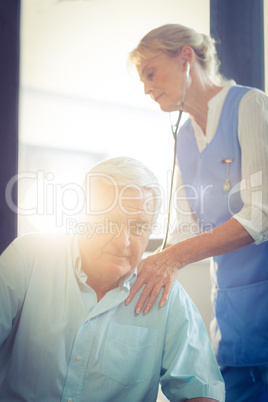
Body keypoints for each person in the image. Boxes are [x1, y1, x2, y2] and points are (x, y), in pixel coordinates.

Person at [0, 156, 224, 402]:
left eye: (138, 227)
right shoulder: (28, 258)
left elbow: (201, 392)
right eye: (108, 222)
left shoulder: (166, 294)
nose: (122, 242)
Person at [126, 23, 268, 402]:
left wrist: (171, 258)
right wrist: (135, 266)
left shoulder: (250, 104)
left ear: (186, 56)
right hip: (230, 316)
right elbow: (185, 229)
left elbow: (260, 216)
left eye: (150, 73)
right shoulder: (183, 140)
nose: (146, 88)